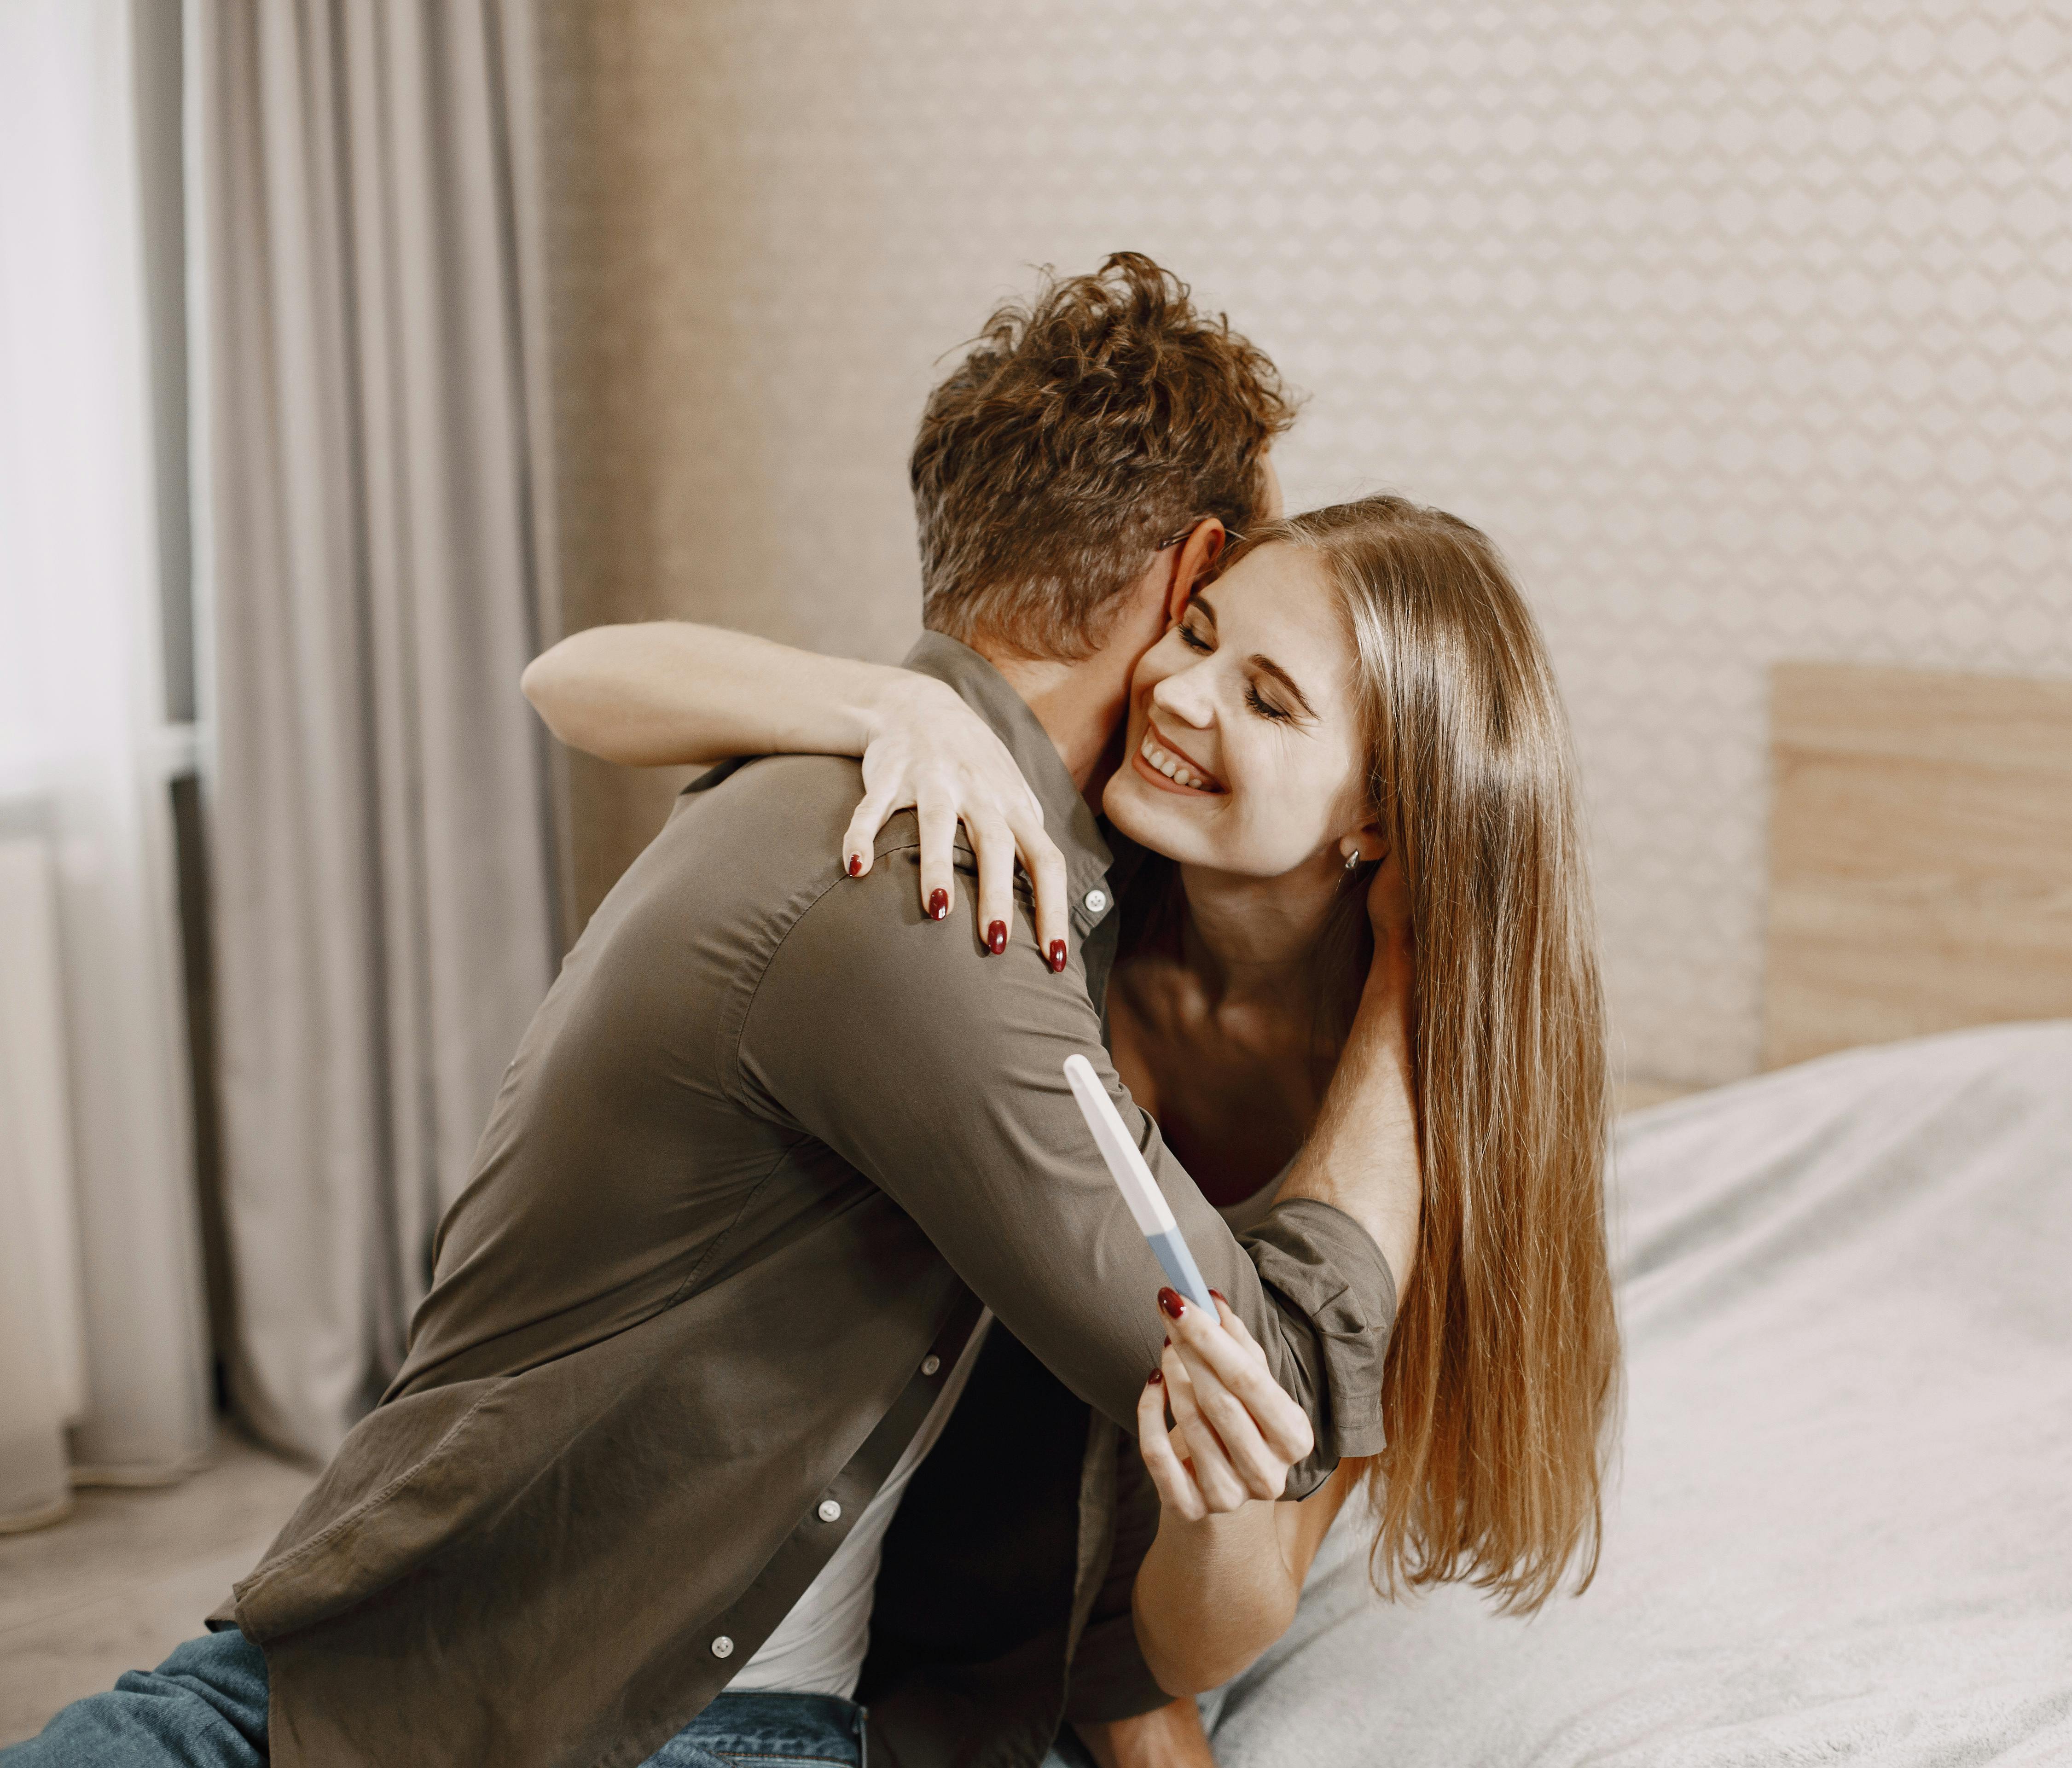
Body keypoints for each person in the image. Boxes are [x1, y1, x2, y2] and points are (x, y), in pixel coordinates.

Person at [2, 256, 1418, 1768]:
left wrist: (896, 698)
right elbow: (1258, 1374)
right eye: (1211, 630)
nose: (1204, 695)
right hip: (630, 1713)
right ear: (1188, 565)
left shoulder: (837, 778)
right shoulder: (939, 892)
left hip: (405, 1632)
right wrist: (1420, 997)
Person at [531, 494, 1624, 1766]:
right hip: (834, 1541)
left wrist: (1408, 1002)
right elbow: (578, 679)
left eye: (1269, 702)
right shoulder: (1057, 869)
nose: (1181, 694)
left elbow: (1227, 1604)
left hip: (1063, 1617)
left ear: (1378, 819)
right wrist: (901, 707)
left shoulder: (1394, 1143)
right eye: (1198, 633)